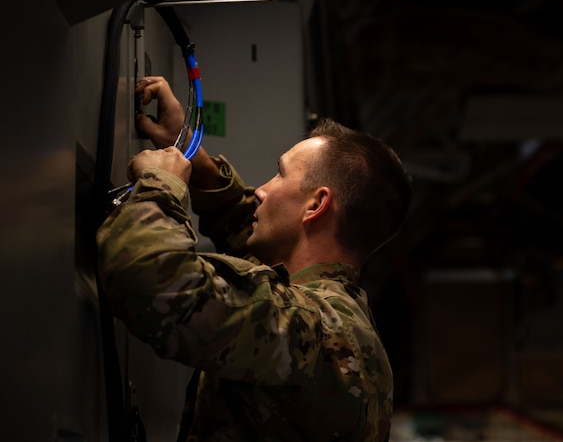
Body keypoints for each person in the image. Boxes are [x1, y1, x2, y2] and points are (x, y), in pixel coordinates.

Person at [96, 76, 412, 441]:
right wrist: (193, 161)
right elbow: (259, 246)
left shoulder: (312, 328)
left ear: (316, 205)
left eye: (280, 173)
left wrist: (161, 185)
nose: (262, 190)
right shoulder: (338, 318)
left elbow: (148, 277)